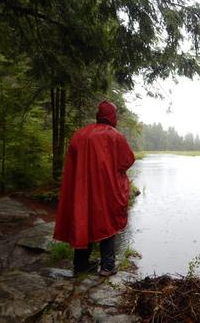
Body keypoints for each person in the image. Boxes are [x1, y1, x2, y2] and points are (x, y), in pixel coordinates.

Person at [53, 101, 135, 276]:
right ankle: (107, 266)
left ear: (99, 115)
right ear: (112, 116)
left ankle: (80, 265)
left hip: (82, 191)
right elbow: (127, 160)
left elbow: (73, 166)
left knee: (84, 220)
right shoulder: (115, 136)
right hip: (106, 191)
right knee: (108, 222)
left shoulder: (80, 135)